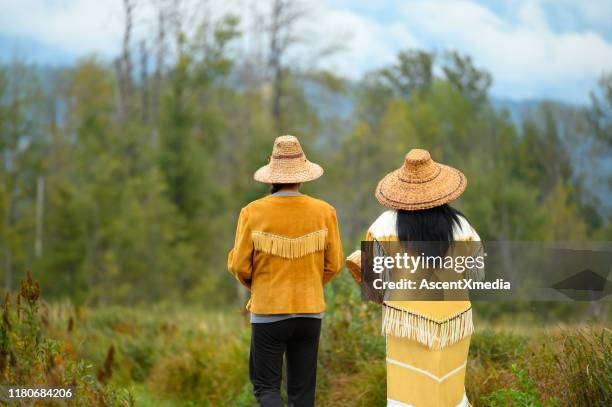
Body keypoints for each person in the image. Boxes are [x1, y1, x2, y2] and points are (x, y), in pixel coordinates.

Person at [346, 149, 482, 407]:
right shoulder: (462, 225)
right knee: (450, 392)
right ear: (441, 189)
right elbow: (475, 271)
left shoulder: (384, 225)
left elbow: (372, 278)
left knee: (408, 392)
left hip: (407, 320)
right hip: (455, 319)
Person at [228, 135, 343, 407]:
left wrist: (259, 287)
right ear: (302, 176)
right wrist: (311, 283)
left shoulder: (252, 212)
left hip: (268, 310)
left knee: (266, 389)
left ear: (271, 177)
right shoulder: (325, 211)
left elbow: (239, 265)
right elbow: (334, 264)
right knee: (302, 395)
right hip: (310, 311)